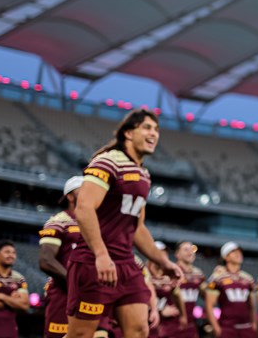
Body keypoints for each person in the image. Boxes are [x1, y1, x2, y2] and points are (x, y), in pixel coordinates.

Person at [66, 109, 183, 338]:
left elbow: (137, 228)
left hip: (126, 265)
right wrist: (101, 255)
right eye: (147, 127)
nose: (154, 134)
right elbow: (84, 208)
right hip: (93, 263)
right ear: (129, 133)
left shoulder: (144, 175)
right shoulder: (107, 161)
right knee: (80, 335)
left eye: (157, 130)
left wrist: (162, 261)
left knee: (140, 330)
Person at [39, 175, 85, 338]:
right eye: (83, 190)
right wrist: (74, 282)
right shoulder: (59, 221)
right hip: (63, 293)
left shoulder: (96, 223)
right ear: (70, 196)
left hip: (90, 293)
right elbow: (46, 260)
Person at [205, 242, 257, 338]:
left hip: (246, 327)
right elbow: (209, 305)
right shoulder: (218, 277)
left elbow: (252, 305)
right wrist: (216, 328)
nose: (238, 254)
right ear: (226, 257)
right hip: (227, 327)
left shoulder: (248, 278)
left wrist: (254, 324)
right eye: (233, 251)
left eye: (239, 251)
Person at [0, 241, 29, 338]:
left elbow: (25, 306)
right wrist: (13, 301)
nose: (11, 255)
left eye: (14, 253)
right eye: (7, 252)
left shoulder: (19, 278)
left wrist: (1, 296)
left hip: (10, 332)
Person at [148, 242, 187, 338]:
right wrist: (160, 310)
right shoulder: (144, 273)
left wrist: (183, 315)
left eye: (165, 252)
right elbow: (140, 297)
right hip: (148, 322)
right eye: (160, 252)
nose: (164, 255)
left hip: (168, 326)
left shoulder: (169, 274)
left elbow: (177, 294)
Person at [173, 241, 205, 338]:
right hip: (171, 323)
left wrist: (216, 278)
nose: (190, 252)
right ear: (177, 254)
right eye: (186, 249)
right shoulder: (171, 271)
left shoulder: (198, 274)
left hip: (191, 323)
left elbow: (207, 294)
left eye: (192, 249)